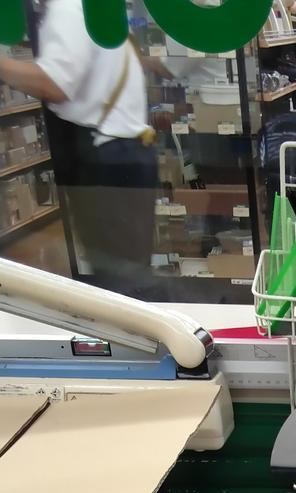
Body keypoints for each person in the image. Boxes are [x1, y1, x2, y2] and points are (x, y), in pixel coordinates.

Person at [0, 0, 158, 294]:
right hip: (127, 150)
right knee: (129, 272)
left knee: (119, 280)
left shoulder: (69, 7)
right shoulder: (95, 7)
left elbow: (56, 85)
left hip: (107, 156)